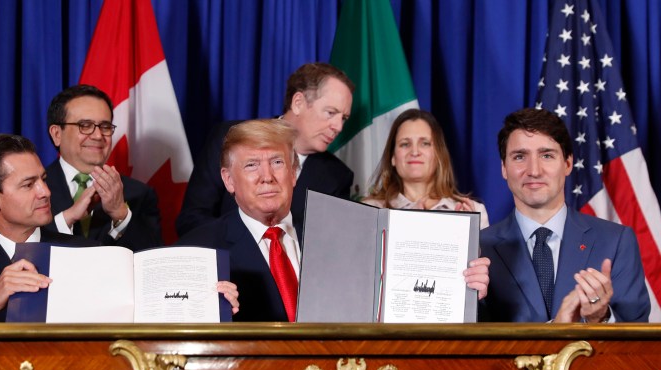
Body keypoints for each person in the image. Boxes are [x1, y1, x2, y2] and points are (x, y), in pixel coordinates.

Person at [176, 119, 490, 322]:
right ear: (228, 180)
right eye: (251, 165)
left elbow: (391, 312)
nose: (267, 177)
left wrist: (468, 294)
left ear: (295, 172)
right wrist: (202, 311)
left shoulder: (344, 235)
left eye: (277, 162)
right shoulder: (197, 251)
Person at [0, 134, 239, 323]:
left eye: (42, 179)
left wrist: (208, 300)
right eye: (28, 185)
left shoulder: (89, 252)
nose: (45, 192)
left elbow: (142, 309)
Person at [480, 108, 650, 323]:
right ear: (504, 168)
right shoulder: (478, 248)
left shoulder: (616, 241)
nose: (534, 170)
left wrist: (600, 316)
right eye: (520, 156)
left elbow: (638, 340)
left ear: (568, 164)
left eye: (547, 155)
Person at [175, 62, 355, 237]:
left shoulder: (337, 177)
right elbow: (192, 220)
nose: (338, 127)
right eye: (331, 113)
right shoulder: (231, 139)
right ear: (298, 103)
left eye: (344, 118)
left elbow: (328, 245)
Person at [44, 84, 162, 251]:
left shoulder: (139, 194)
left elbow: (152, 260)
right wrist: (66, 219)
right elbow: (16, 248)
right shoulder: (30, 189)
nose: (98, 136)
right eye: (85, 125)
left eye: (105, 126)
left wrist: (121, 215)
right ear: (57, 134)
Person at [363, 109, 489, 229]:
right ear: (393, 157)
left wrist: (469, 234)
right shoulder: (371, 211)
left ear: (438, 154)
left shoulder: (474, 212)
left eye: (425, 143)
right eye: (405, 144)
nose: (415, 152)